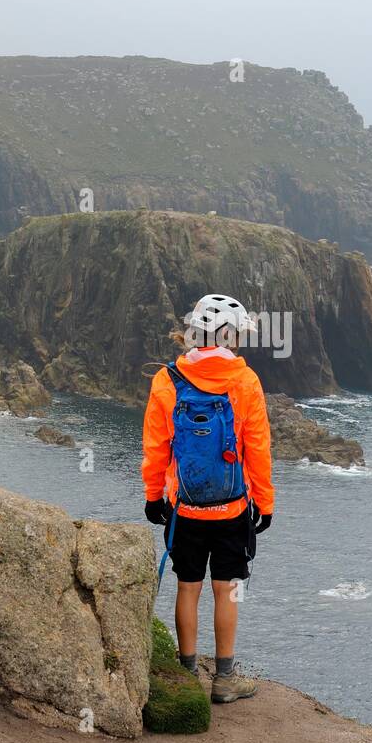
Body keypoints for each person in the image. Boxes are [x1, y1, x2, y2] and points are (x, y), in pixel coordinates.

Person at [141, 293, 275, 704]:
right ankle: (224, 679)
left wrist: (153, 496)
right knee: (227, 589)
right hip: (233, 507)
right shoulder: (245, 381)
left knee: (187, 586)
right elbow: (257, 447)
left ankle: (185, 676)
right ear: (230, 336)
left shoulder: (167, 381)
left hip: (185, 507)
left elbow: (156, 446)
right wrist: (265, 503)